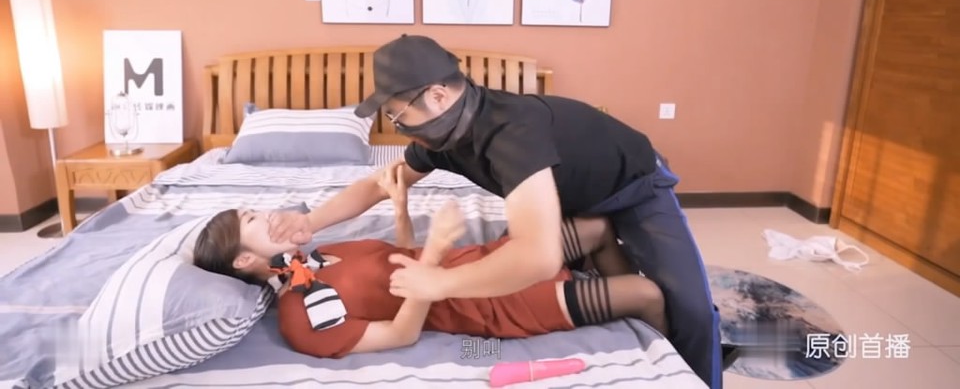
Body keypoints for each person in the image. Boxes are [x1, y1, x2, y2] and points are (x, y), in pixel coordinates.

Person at [267, 34, 726, 387]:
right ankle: (628, 316)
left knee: (693, 310)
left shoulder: (512, 134)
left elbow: (539, 257)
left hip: (635, 183)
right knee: (596, 236)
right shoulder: (444, 139)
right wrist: (309, 221)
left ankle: (697, 373)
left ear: (438, 97)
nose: (398, 127)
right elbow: (377, 185)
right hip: (574, 196)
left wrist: (440, 282)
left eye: (397, 114)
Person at [194, 164, 669, 359]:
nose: (268, 215)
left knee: (597, 226)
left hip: (484, 258)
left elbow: (401, 260)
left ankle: (624, 317)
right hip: (491, 304)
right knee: (646, 293)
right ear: (244, 259)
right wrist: (437, 253)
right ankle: (667, 349)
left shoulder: (318, 254)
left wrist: (399, 207)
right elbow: (402, 334)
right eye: (253, 219)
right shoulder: (300, 320)